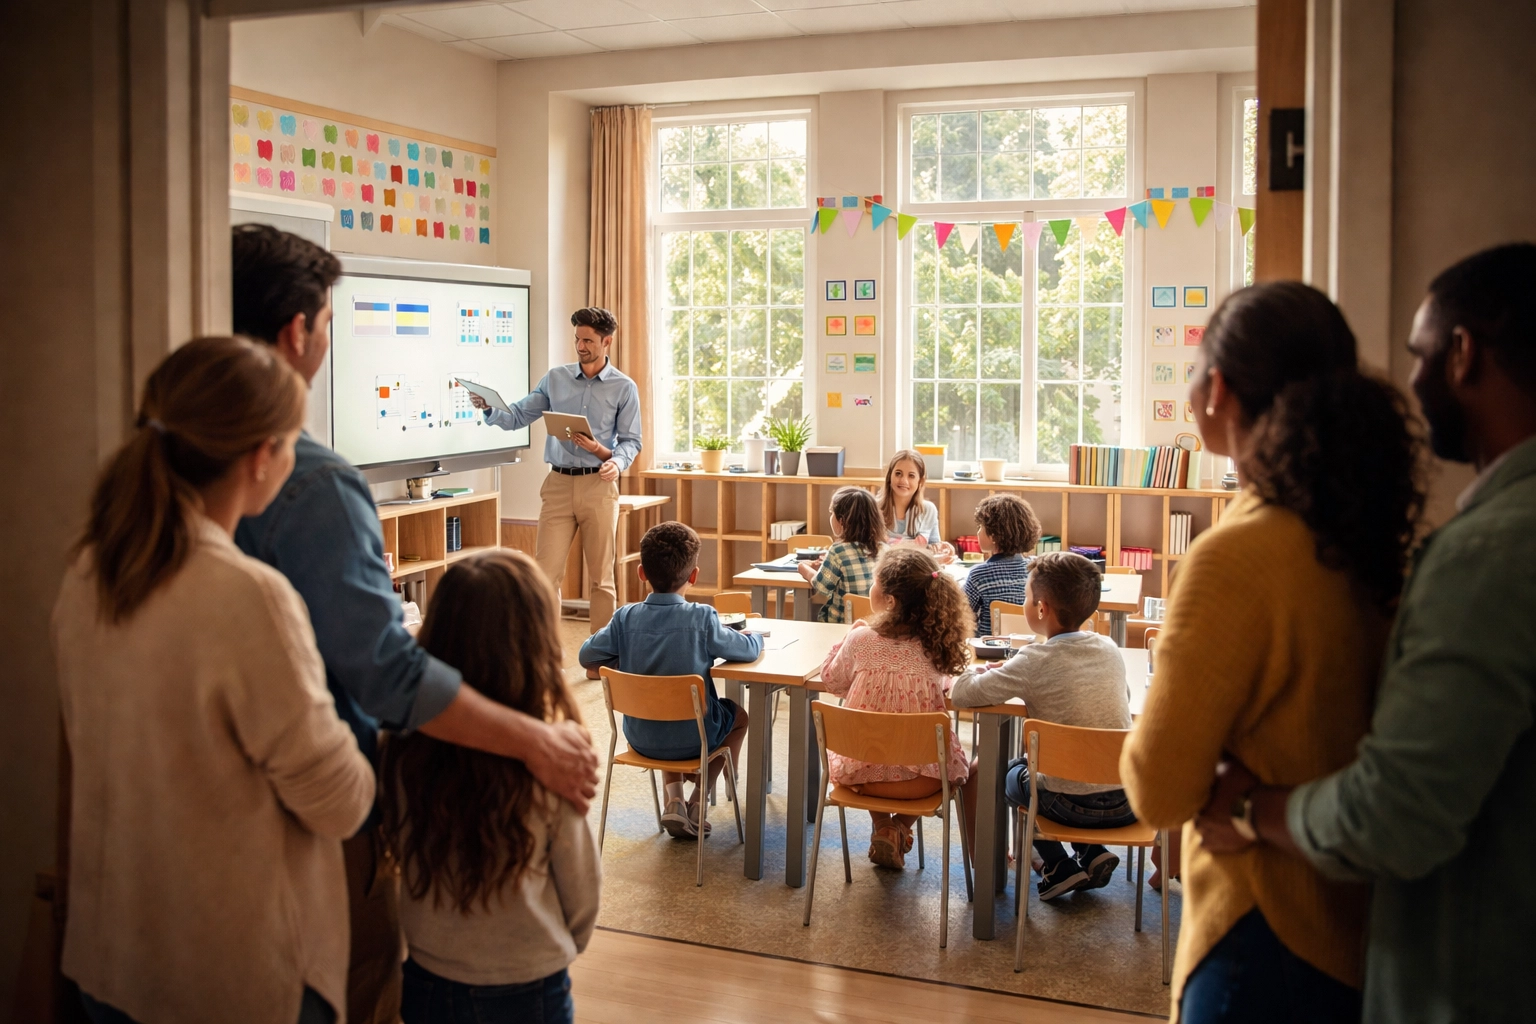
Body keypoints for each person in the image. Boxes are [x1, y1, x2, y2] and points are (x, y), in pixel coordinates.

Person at [231, 224, 598, 1024]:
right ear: (299, 333)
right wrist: (536, 739)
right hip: (313, 803)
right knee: (349, 986)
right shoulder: (313, 481)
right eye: (331, 325)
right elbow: (382, 673)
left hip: (204, 829)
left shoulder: (155, 471)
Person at [1191, 244, 1536, 1023]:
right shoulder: (1382, 538)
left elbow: (1400, 810)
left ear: (1463, 353)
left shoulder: (1489, 552)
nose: (1408, 382)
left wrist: (1250, 811)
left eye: (1417, 355)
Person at [1118, 282, 1425, 1023]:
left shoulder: (1237, 556)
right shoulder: (1360, 537)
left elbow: (1157, 790)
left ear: (1217, 390)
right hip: (1347, 922)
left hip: (1256, 932)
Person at [54, 337, 375, 1024]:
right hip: (232, 969)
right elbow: (339, 804)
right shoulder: (247, 597)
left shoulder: (87, 573)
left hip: (112, 953)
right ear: (264, 458)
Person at [380, 550, 600, 1024]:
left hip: (427, 976)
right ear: (537, 642)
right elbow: (582, 897)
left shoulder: (399, 750)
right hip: (529, 986)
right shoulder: (552, 761)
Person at [952, 552, 1133, 899]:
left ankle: (1057, 866)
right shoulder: (1110, 649)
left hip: (1067, 806)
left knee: (1013, 774)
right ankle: (1092, 852)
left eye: (1026, 596)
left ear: (1041, 608)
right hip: (1126, 800)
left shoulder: (1033, 660)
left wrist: (973, 670)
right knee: (1062, 770)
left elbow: (962, 695)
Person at [578, 521, 759, 838]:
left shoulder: (624, 617)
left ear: (641, 573)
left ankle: (673, 799)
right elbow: (744, 650)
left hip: (641, 737)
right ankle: (697, 802)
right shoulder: (701, 617)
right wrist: (755, 637)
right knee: (738, 717)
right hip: (695, 739)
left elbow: (587, 657)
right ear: (694, 576)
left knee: (661, 703)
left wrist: (623, 658)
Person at [473, 306, 642, 632]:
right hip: (558, 484)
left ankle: (601, 656)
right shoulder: (556, 379)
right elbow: (517, 417)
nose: (580, 346)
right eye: (578, 338)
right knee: (545, 574)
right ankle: (545, 655)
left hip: (599, 486)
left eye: (588, 340)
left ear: (607, 342)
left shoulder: (624, 388)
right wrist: (490, 408)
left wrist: (614, 461)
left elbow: (632, 442)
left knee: (601, 578)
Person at [817, 548, 974, 869]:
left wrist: (848, 635)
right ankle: (900, 826)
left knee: (870, 749)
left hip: (856, 776)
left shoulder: (861, 638)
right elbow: (947, 692)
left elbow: (832, 681)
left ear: (889, 600)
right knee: (957, 771)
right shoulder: (938, 646)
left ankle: (884, 826)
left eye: (875, 582)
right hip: (923, 782)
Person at [798, 486, 884, 623]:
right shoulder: (885, 550)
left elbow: (821, 586)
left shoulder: (838, 551)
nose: (830, 516)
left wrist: (803, 568)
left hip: (843, 625)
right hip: (876, 625)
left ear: (842, 521)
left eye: (832, 512)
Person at [963, 493, 1042, 636]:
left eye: (980, 527)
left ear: (993, 536)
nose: (978, 531)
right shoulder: (1037, 568)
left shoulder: (979, 575)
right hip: (1031, 647)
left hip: (990, 651)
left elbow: (961, 617)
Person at [876, 448, 955, 559]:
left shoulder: (928, 510)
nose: (904, 481)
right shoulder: (873, 508)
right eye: (898, 474)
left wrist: (943, 549)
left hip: (917, 572)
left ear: (920, 481)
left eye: (911, 476)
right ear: (889, 476)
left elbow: (933, 548)